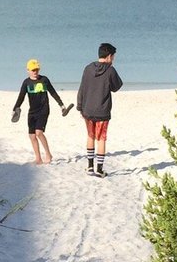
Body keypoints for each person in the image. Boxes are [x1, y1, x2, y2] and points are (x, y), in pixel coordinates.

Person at [11, 58, 71, 164]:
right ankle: (38, 158)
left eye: (37, 70)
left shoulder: (44, 80)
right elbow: (21, 97)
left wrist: (61, 105)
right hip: (32, 111)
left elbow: (53, 92)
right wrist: (15, 109)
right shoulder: (26, 83)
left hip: (43, 110)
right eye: (33, 70)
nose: (35, 72)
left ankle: (48, 154)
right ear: (28, 70)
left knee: (39, 133)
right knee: (32, 135)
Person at [76, 42, 122, 177]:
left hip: (87, 109)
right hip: (102, 111)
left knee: (90, 136)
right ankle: (99, 169)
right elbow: (116, 87)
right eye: (113, 57)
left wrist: (80, 106)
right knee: (101, 138)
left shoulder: (88, 68)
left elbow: (82, 89)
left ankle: (90, 167)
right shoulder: (110, 70)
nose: (113, 59)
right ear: (109, 56)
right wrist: (111, 69)